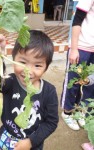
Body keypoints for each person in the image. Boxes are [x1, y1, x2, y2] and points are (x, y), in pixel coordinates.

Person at [0, 30, 59, 150]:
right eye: (22, 62)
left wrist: (31, 142)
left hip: (32, 145)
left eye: (37, 65)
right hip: (7, 137)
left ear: (46, 68)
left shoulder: (49, 92)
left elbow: (51, 122)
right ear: (13, 59)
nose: (28, 70)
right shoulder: (10, 81)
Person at [61, 0, 94, 131]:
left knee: (89, 84)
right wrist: (74, 49)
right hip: (81, 48)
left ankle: (79, 110)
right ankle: (67, 111)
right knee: (73, 80)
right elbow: (77, 20)